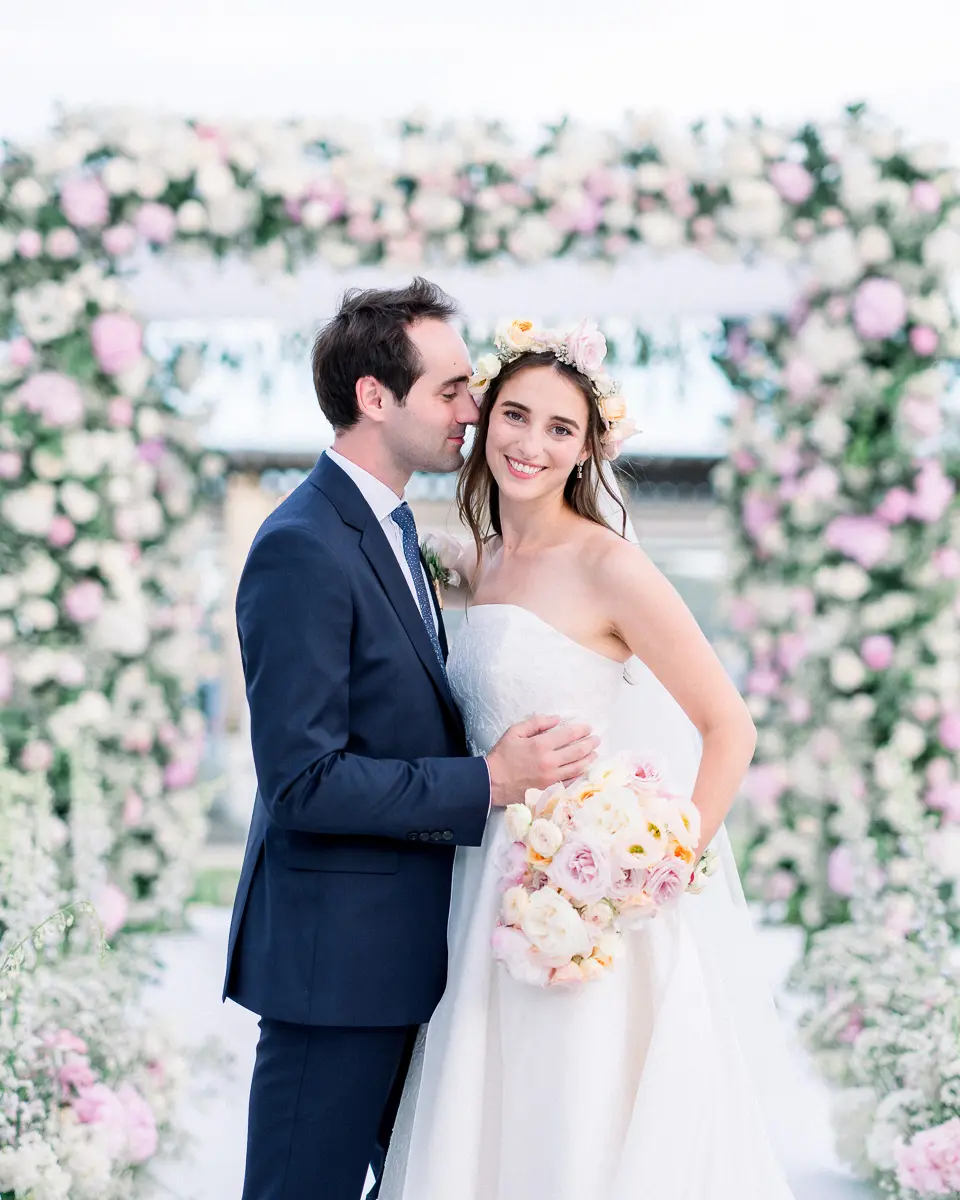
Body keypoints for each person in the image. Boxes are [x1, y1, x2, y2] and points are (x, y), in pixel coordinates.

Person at [380, 320, 798, 1199]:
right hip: (479, 887)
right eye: (515, 415)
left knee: (571, 1122)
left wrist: (652, 870)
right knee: (486, 1127)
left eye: (559, 428)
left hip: (583, 900)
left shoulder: (612, 568)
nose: (530, 444)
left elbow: (729, 726)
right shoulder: (477, 562)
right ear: (485, 417)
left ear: (586, 450)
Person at [222, 283, 599, 1200]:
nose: (474, 411)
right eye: (451, 389)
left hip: (411, 959)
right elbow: (303, 781)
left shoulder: (391, 531)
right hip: (334, 971)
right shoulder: (302, 545)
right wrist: (489, 781)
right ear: (374, 397)